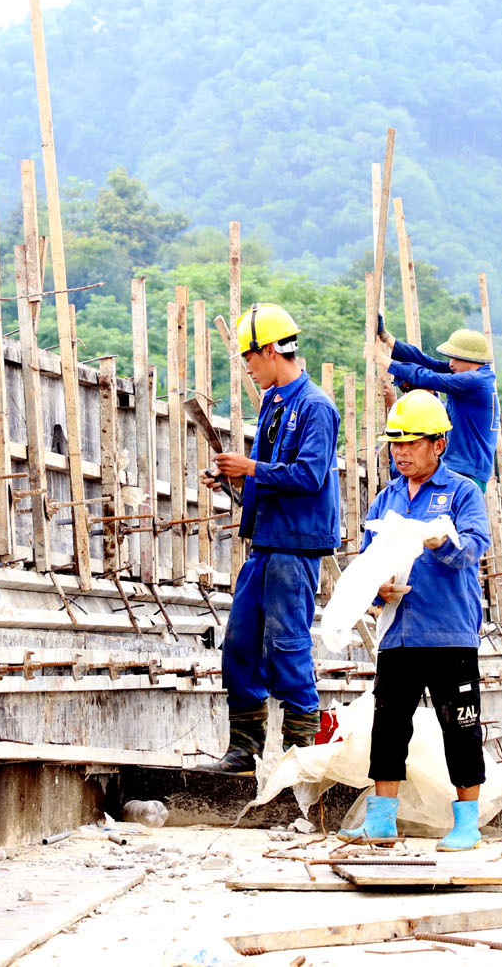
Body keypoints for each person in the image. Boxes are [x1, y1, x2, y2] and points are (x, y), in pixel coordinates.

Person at [339, 390, 492, 849]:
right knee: (388, 728)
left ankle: (467, 823)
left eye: (411, 443)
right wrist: (376, 590)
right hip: (398, 634)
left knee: (460, 727)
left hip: (449, 635)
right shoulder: (387, 497)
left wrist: (438, 543)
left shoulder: (463, 492)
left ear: (438, 444)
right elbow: (369, 561)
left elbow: (471, 550)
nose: (400, 452)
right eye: (395, 443)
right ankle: (381, 820)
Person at [198, 303, 341, 773]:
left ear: (271, 350)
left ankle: (302, 757)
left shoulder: (316, 406)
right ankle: (244, 751)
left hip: (295, 546)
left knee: (287, 645)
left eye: (249, 358)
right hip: (266, 543)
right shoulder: (274, 406)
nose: (248, 368)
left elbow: (310, 475)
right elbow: (271, 475)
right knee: (239, 644)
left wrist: (252, 468)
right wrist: (234, 480)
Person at [375, 327, 498, 487]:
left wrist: (383, 360)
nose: (451, 364)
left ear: (471, 360)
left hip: (467, 470)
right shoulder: (470, 374)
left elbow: (429, 377)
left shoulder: (474, 381)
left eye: (455, 358)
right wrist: (387, 338)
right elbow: (427, 363)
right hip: (461, 468)